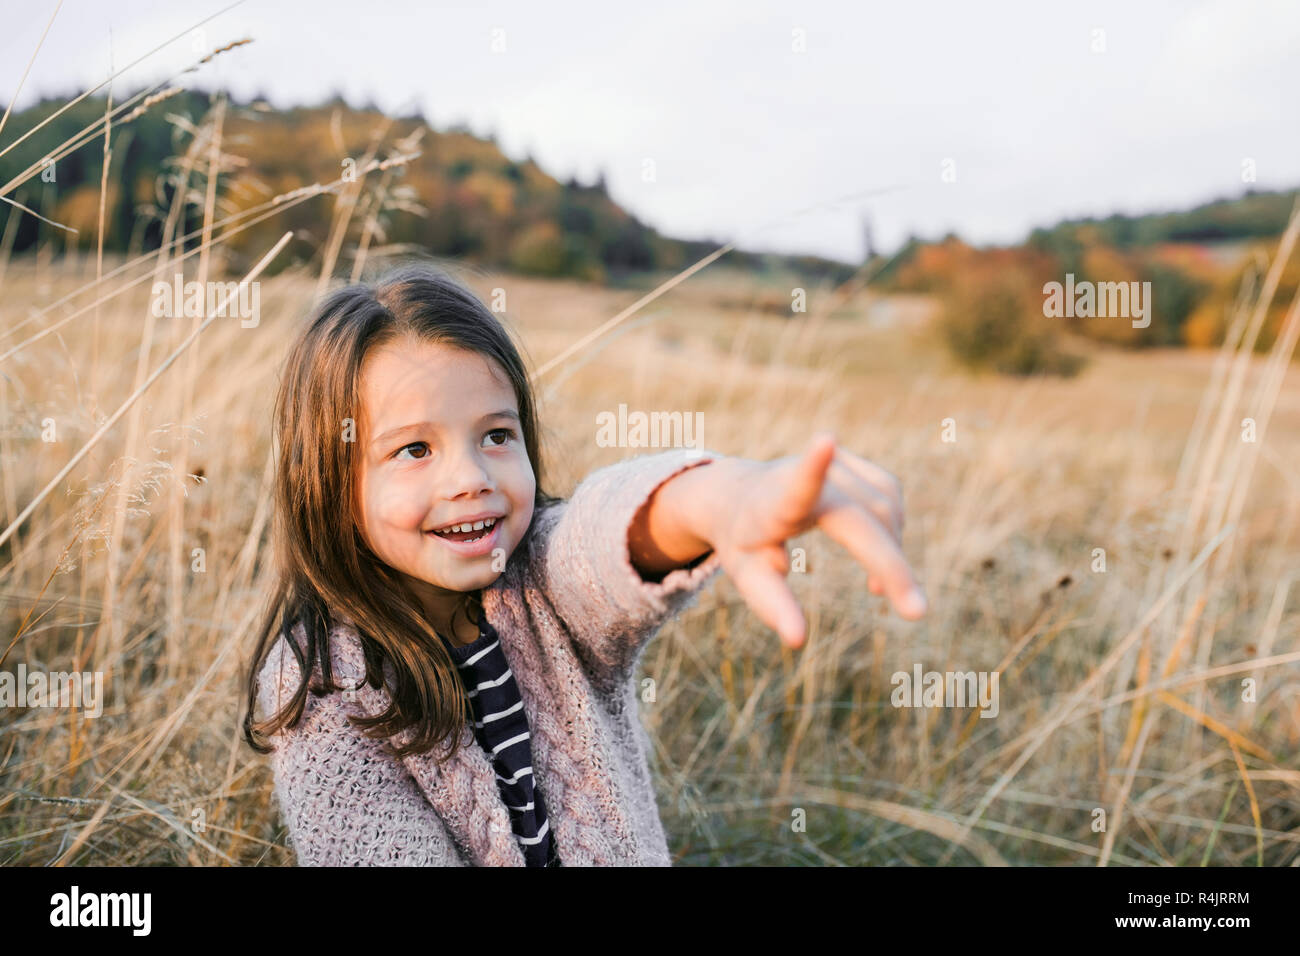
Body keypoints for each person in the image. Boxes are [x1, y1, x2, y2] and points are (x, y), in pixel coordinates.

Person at [242, 263, 926, 866]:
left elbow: (605, 532)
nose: (472, 477)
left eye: (496, 434)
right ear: (329, 481)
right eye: (414, 450)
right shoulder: (322, 685)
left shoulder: (541, 582)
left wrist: (725, 498)